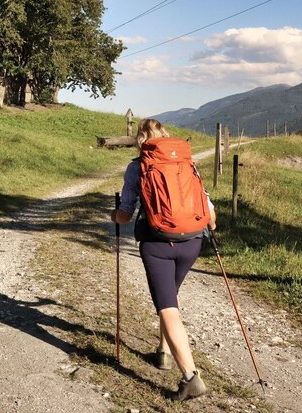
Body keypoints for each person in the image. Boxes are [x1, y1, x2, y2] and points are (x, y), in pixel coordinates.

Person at [110, 118, 216, 401]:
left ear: (141, 140)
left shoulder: (137, 167)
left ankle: (191, 377)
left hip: (157, 244)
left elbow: (125, 213)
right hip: (192, 242)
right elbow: (210, 215)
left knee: (167, 307)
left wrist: (114, 216)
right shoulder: (186, 163)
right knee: (170, 298)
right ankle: (163, 352)